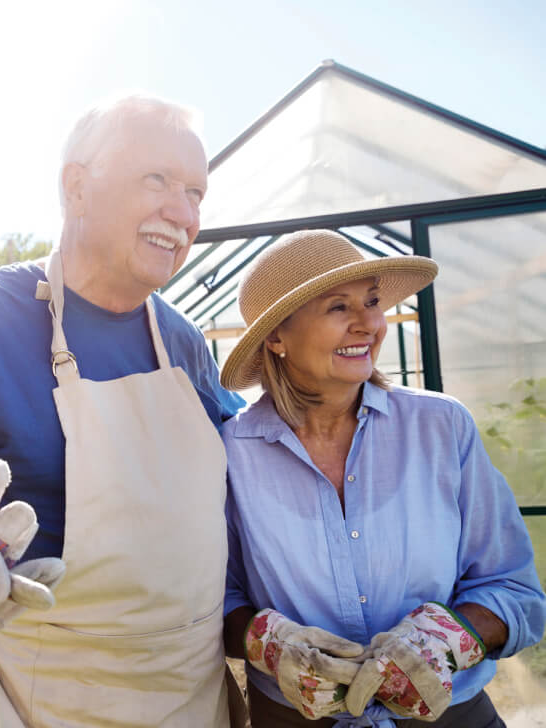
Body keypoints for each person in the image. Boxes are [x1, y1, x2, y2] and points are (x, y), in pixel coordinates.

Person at [0, 94, 245, 726]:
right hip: (54, 694)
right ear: (77, 186)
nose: (182, 214)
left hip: (190, 688)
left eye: (196, 194)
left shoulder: (181, 341)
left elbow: (258, 454)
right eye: (157, 180)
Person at [219, 228, 546, 727]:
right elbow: (211, 602)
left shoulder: (441, 427)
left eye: (371, 301)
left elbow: (515, 591)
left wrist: (452, 638)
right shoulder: (229, 454)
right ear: (276, 337)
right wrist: (268, 643)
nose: (368, 323)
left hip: (450, 716)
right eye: (337, 307)